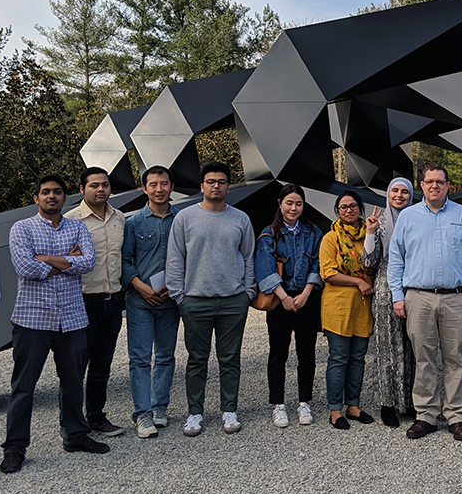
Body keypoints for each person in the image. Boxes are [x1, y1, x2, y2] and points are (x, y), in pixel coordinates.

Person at [1, 174, 108, 475]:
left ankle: (75, 435)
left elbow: (88, 263)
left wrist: (46, 258)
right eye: (45, 192)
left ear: (65, 197)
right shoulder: (21, 228)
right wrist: (65, 261)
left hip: (72, 319)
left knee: (73, 382)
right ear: (36, 198)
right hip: (32, 318)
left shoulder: (78, 227)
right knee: (23, 386)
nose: (52, 196)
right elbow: (25, 268)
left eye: (57, 192)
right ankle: (14, 447)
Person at [388, 164, 462, 442]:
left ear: (448, 186)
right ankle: (426, 415)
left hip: (456, 298)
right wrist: (398, 296)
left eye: (440, 182)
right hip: (418, 297)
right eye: (429, 181)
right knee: (424, 358)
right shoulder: (408, 217)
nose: (434, 186)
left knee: (456, 358)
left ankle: (456, 415)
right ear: (422, 185)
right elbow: (396, 259)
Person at [166, 161, 255, 437]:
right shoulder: (185, 218)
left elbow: (249, 257)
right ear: (202, 185)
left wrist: (248, 293)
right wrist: (180, 296)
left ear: (229, 186)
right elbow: (175, 257)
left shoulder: (241, 219)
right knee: (196, 359)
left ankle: (229, 409)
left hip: (232, 300)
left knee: (230, 359)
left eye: (222, 181)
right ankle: (195, 413)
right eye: (211, 181)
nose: (216, 185)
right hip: (195, 300)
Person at [255, 184, 324, 428]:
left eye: (298, 203)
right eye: (289, 203)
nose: (294, 208)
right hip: (278, 300)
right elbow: (264, 268)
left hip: (306, 298)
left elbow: (317, 265)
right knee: (278, 353)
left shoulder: (313, 232)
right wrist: (284, 296)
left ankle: (304, 402)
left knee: (306, 353)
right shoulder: (269, 234)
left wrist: (306, 293)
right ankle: (278, 404)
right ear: (280, 204)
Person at [64, 167, 126, 437]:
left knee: (102, 364)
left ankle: (97, 417)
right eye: (94, 185)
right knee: (75, 366)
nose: (100, 190)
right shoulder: (69, 220)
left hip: (112, 301)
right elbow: (58, 261)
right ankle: (71, 423)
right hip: (82, 301)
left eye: (105, 185)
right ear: (82, 189)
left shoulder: (119, 218)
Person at [121, 165, 180, 439]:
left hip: (170, 301)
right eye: (153, 184)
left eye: (164, 183)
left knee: (166, 357)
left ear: (171, 186)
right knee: (140, 359)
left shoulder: (181, 220)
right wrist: (139, 286)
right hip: (140, 301)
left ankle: (159, 407)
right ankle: (142, 413)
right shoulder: (132, 223)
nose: (159, 189)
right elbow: (124, 261)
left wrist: (176, 286)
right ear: (144, 188)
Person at [362, 177, 416, 428]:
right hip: (385, 289)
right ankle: (388, 403)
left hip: (416, 288)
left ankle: (412, 401)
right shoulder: (380, 223)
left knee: (414, 347)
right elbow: (368, 262)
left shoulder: (419, 219)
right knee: (387, 346)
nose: (399, 195)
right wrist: (370, 233)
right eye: (395, 190)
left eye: (405, 191)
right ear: (387, 194)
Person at [319, 191, 376, 430]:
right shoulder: (331, 238)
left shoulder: (370, 235)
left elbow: (376, 263)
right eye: (343, 207)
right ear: (338, 212)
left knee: (357, 358)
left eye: (353, 206)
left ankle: (353, 405)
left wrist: (372, 234)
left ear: (360, 209)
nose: (349, 210)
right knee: (339, 358)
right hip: (338, 306)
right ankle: (335, 409)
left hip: (363, 307)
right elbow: (328, 273)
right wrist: (358, 282)